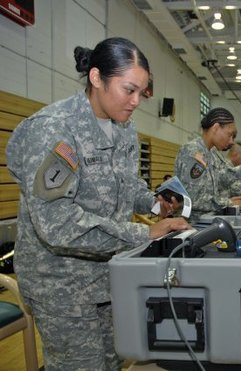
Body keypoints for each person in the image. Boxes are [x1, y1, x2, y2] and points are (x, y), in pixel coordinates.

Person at [6, 37, 190, 370]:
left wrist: (153, 205)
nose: (136, 102)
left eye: (141, 93)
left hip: (106, 274)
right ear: (96, 78)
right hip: (60, 283)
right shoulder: (54, 131)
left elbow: (127, 182)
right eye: (128, 90)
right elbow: (58, 225)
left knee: (113, 361)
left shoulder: (123, 127)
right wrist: (143, 234)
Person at [175, 108, 241, 222]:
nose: (231, 141)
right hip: (192, 225)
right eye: (229, 135)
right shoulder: (193, 151)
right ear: (215, 128)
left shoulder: (211, 153)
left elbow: (211, 190)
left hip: (207, 221)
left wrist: (227, 200)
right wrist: (228, 202)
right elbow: (192, 199)